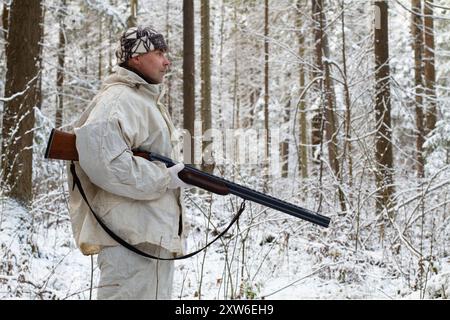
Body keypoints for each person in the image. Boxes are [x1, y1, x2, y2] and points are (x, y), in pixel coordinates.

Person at [67, 26, 190, 300]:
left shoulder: (143, 101)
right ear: (136, 57)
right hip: (130, 242)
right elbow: (106, 163)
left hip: (147, 238)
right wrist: (164, 178)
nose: (167, 61)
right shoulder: (119, 100)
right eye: (159, 53)